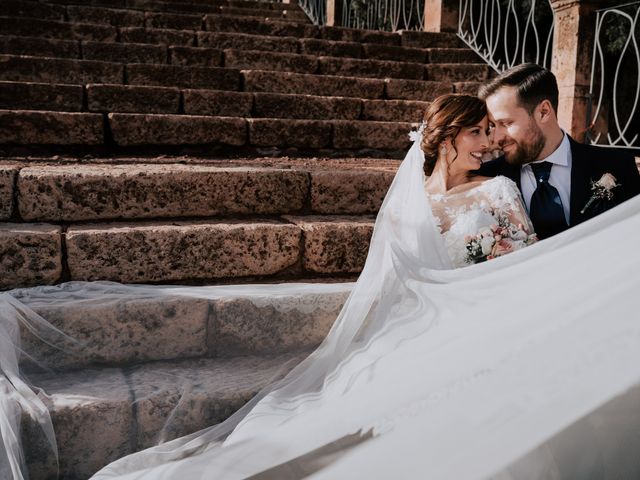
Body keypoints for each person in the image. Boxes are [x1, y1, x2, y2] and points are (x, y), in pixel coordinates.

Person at [2, 92, 640, 480]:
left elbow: (517, 259)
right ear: (447, 137)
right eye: (478, 132)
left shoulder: (496, 189)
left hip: (491, 307)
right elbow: (400, 275)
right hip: (447, 316)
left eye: (490, 132)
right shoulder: (417, 203)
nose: (490, 142)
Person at [478, 63, 640, 239]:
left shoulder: (617, 165)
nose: (496, 138)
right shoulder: (486, 179)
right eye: (493, 126)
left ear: (544, 112)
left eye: (507, 123)